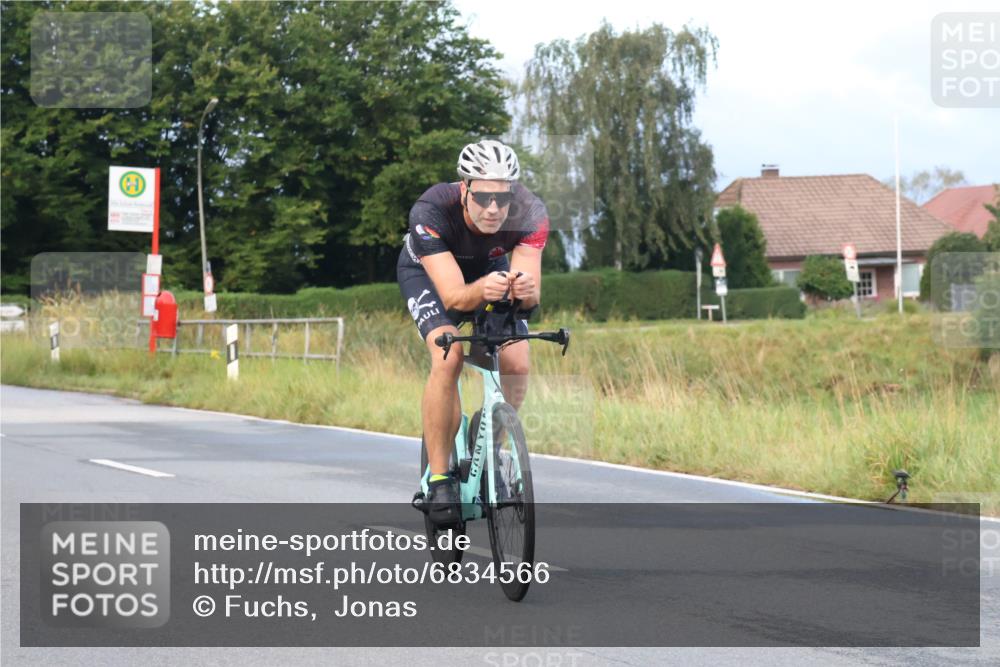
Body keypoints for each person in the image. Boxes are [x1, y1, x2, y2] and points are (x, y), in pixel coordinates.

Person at [397, 139, 549, 526]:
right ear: (464, 189)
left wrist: (526, 292)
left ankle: (490, 435)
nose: (494, 208)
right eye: (483, 197)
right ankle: (440, 479)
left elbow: (529, 292)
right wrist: (483, 290)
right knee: (448, 355)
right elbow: (453, 296)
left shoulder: (531, 213)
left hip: (488, 269)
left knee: (515, 358)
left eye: (503, 198)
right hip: (430, 275)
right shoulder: (431, 210)